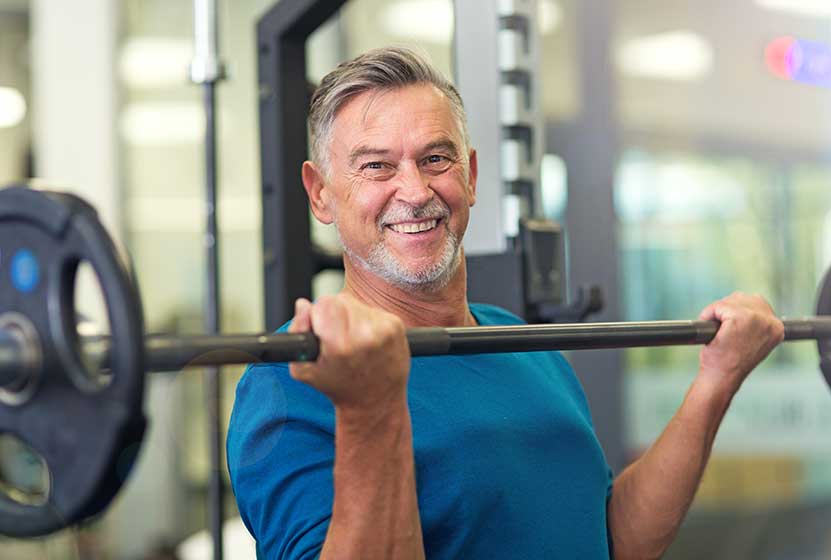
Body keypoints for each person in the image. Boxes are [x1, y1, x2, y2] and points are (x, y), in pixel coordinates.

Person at [226, 47, 784, 560]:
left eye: (435, 159)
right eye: (376, 166)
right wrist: (370, 410)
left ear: (469, 176)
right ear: (321, 194)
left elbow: (613, 540)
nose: (416, 191)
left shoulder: (520, 343)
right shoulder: (289, 383)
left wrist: (718, 377)